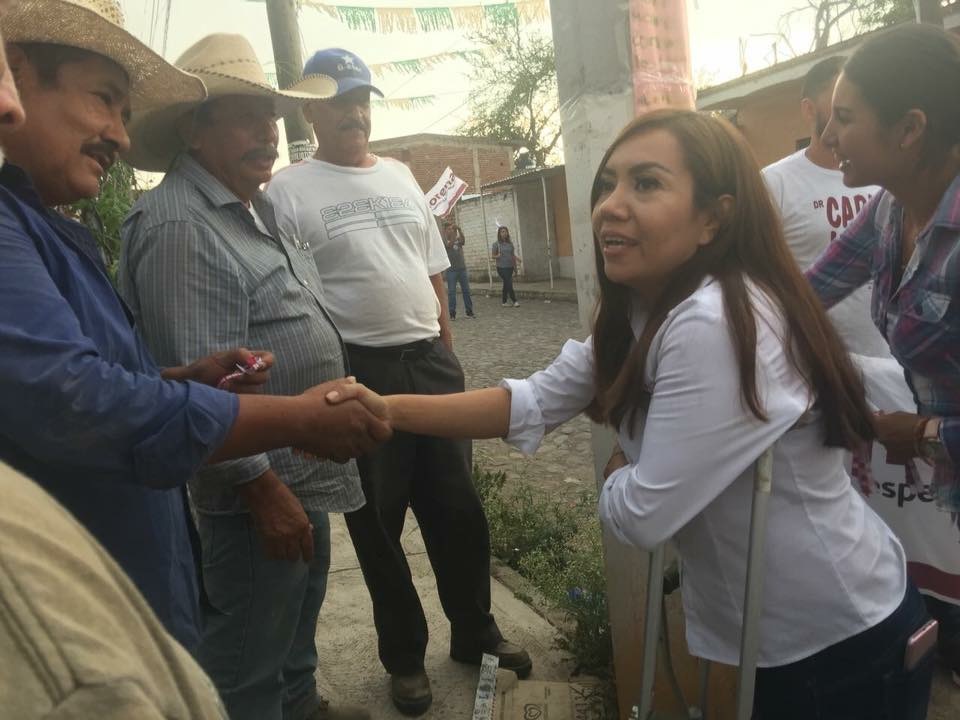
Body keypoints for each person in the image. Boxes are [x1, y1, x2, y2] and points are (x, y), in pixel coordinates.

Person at [340, 109, 934, 718]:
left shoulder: (714, 325)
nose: (611, 205)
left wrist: (620, 468)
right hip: (794, 641)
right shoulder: (640, 310)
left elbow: (647, 514)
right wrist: (385, 408)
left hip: (836, 649)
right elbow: (534, 400)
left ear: (714, 218)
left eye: (646, 184)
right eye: (608, 184)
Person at [0, 0, 391, 654]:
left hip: (128, 575)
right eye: (103, 100)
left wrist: (178, 377)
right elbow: (73, 399)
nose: (119, 138)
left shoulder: (52, 227)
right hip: (82, 612)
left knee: (282, 648)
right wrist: (294, 423)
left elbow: (87, 378)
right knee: (248, 664)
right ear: (13, 81)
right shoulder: (170, 223)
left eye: (126, 116)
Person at [266, 47, 530, 716]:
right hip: (356, 368)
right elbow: (290, 297)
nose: (355, 109)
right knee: (376, 523)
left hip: (429, 363)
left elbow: (432, 270)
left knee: (458, 509)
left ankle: (477, 633)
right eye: (338, 98)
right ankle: (404, 658)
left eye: (362, 97)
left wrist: (445, 342)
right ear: (310, 110)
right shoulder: (287, 191)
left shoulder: (401, 175)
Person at [119, 34, 368, 720]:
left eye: (271, 115)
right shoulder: (180, 226)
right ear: (195, 130)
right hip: (249, 492)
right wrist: (260, 488)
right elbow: (201, 395)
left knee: (292, 625)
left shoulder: (246, 208)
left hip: (296, 470)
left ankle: (302, 706)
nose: (268, 131)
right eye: (243, 115)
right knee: (245, 661)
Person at [806, 23, 960, 684]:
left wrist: (923, 435)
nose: (827, 137)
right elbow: (806, 293)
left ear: (910, 129)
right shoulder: (891, 213)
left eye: (843, 117)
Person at [762, 55, 887, 357]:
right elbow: (760, 282)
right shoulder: (773, 183)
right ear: (809, 109)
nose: (837, 128)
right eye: (837, 109)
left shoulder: (886, 179)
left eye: (853, 110)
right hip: (820, 364)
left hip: (897, 363)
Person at [443, 221, 475, 319]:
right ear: (445, 231)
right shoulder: (443, 241)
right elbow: (449, 245)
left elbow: (463, 241)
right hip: (451, 270)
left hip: (462, 269)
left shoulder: (457, 238)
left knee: (466, 290)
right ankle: (452, 313)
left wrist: (459, 230)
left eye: (451, 229)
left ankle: (469, 311)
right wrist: (453, 234)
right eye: (449, 229)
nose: (451, 231)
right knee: (452, 292)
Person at [491, 225, 520, 306]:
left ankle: (504, 302)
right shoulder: (496, 244)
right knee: (509, 283)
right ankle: (514, 301)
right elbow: (493, 256)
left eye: (505, 231)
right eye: (502, 232)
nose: (504, 233)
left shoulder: (510, 244)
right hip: (501, 267)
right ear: (499, 234)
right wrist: (498, 256)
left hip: (510, 267)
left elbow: (512, 256)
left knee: (506, 283)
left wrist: (515, 268)